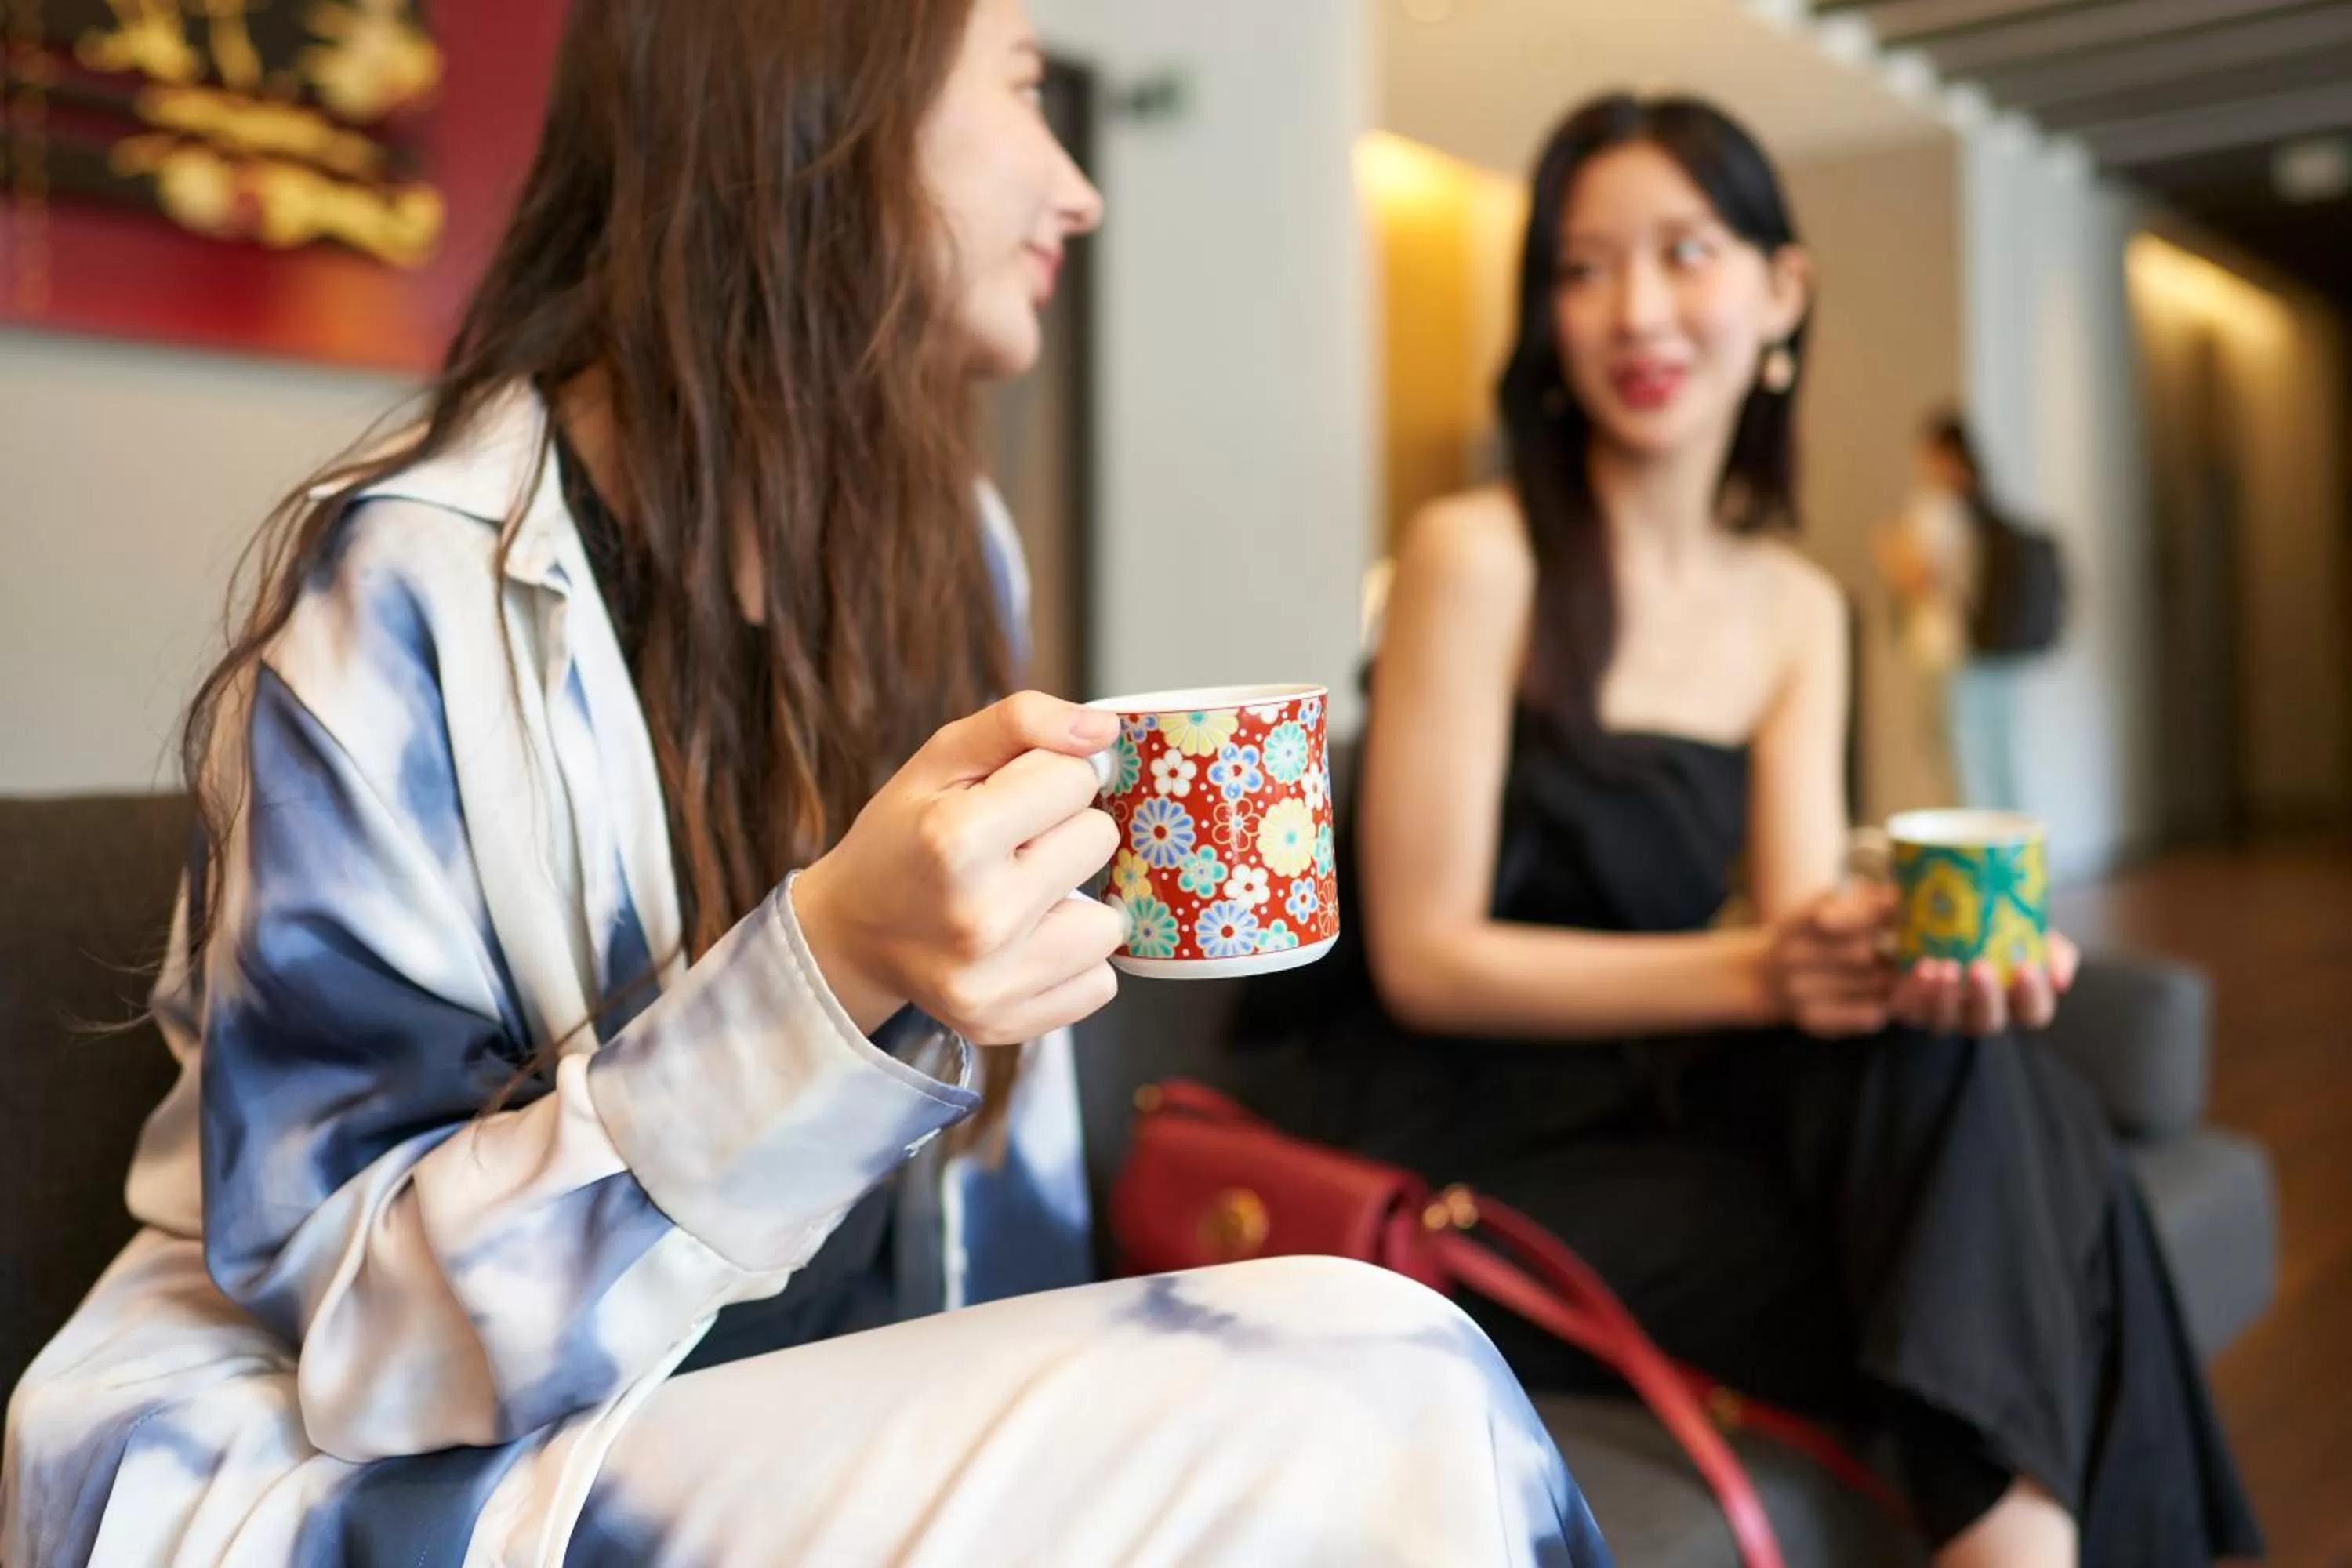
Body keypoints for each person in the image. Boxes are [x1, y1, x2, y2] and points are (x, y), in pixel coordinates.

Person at [0, 3, 1608, 1563]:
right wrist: (834, 963)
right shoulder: (402, 588)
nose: (1079, 183)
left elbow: (992, 1209)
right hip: (400, 1472)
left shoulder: (948, 545)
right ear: (819, 120)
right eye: (1026, 87)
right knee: (1377, 1377)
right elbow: (369, 1338)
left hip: (782, 1414)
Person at [1232, 94, 2259, 1568]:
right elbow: (1429, 961)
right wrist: (1772, 976)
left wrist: (1902, 964)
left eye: (1685, 252)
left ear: (1783, 291)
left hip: (1669, 1111)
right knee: (2014, 1216)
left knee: (1968, 1082)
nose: (1634, 309)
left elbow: (1798, 946)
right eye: (1582, 269)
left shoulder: (1797, 607)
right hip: (1466, 1129)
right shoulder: (1478, 556)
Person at [1875, 412, 2024, 812]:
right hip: (1989, 648)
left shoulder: (1935, 510)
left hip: (1945, 648)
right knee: (1994, 755)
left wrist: (1891, 549)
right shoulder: (1980, 510)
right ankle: (2011, 855)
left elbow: (1921, 581)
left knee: (1955, 754)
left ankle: (1968, 855)